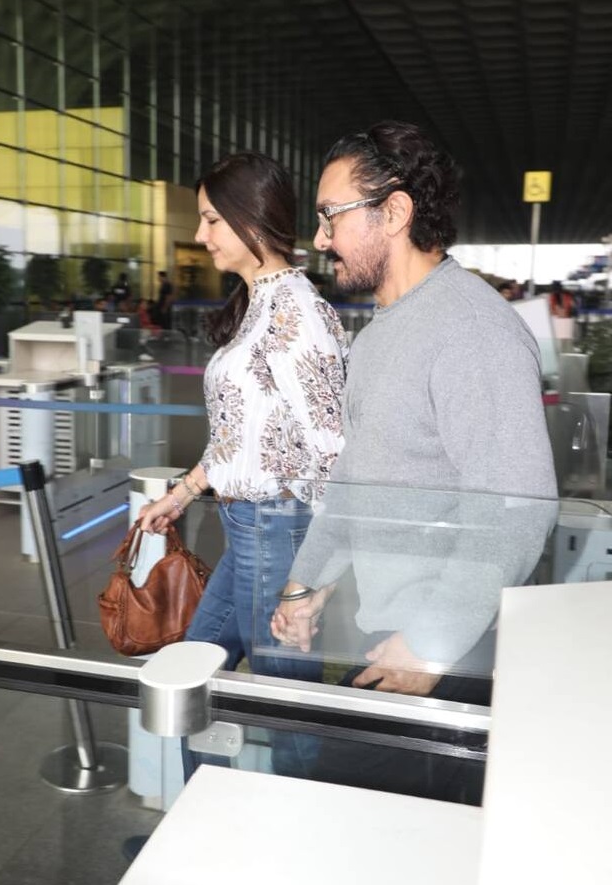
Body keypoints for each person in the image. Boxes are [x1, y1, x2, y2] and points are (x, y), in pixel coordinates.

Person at [270, 120, 557, 803]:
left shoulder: (471, 331)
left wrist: (432, 642)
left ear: (394, 212)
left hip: (447, 653)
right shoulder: (381, 333)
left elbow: (519, 509)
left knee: (354, 817)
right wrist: (309, 580)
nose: (319, 240)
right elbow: (359, 476)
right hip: (394, 633)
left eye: (330, 216)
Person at [138, 150, 349, 777]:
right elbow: (240, 437)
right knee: (194, 675)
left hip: (278, 532)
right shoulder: (259, 303)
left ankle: (296, 824)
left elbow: (334, 452)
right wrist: (182, 493)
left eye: (211, 220)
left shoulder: (296, 313)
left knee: (286, 709)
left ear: (251, 218)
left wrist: (311, 583)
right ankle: (204, 814)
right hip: (250, 531)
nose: (200, 235)